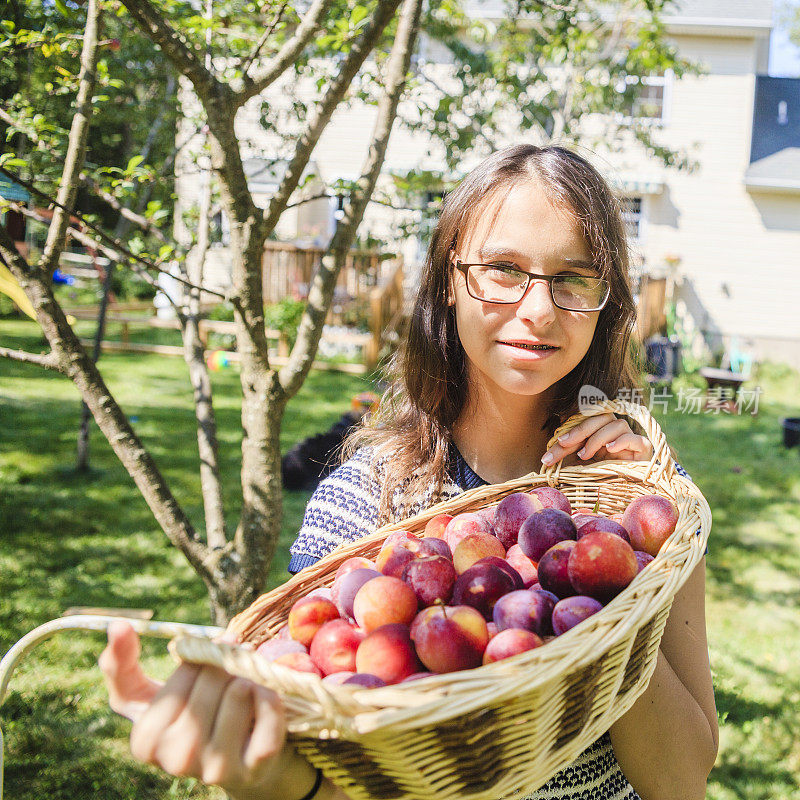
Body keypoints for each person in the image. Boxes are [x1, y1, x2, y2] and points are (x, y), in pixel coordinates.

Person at [100, 144, 718, 800]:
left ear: (605, 299)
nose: (539, 309)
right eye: (503, 269)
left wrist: (615, 572)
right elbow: (343, 771)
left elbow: (681, 781)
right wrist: (275, 778)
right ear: (451, 279)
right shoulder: (367, 507)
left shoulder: (645, 498)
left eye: (574, 277)